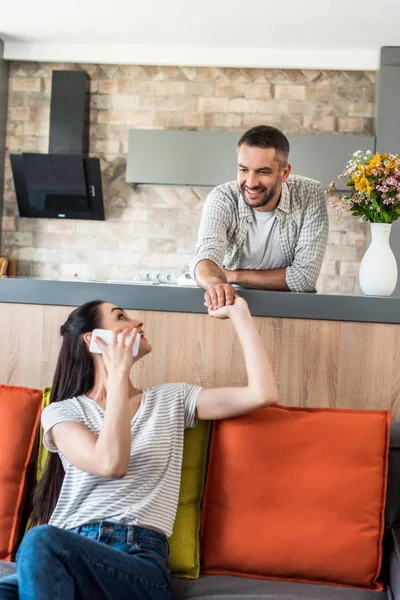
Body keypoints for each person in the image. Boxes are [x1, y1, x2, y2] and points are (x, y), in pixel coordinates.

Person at [0, 296, 278, 600]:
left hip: (136, 562)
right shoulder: (63, 412)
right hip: (66, 551)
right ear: (94, 341)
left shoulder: (171, 400)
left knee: (41, 541)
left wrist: (240, 314)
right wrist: (116, 376)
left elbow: (261, 393)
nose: (138, 322)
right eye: (121, 317)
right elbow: (106, 461)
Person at [191, 125, 329, 310]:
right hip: (231, 305)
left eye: (263, 172)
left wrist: (232, 276)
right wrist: (217, 284)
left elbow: (304, 278)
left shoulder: (310, 194)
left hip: (290, 310)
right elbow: (205, 257)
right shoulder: (222, 197)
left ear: (284, 172)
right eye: (243, 170)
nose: (251, 182)